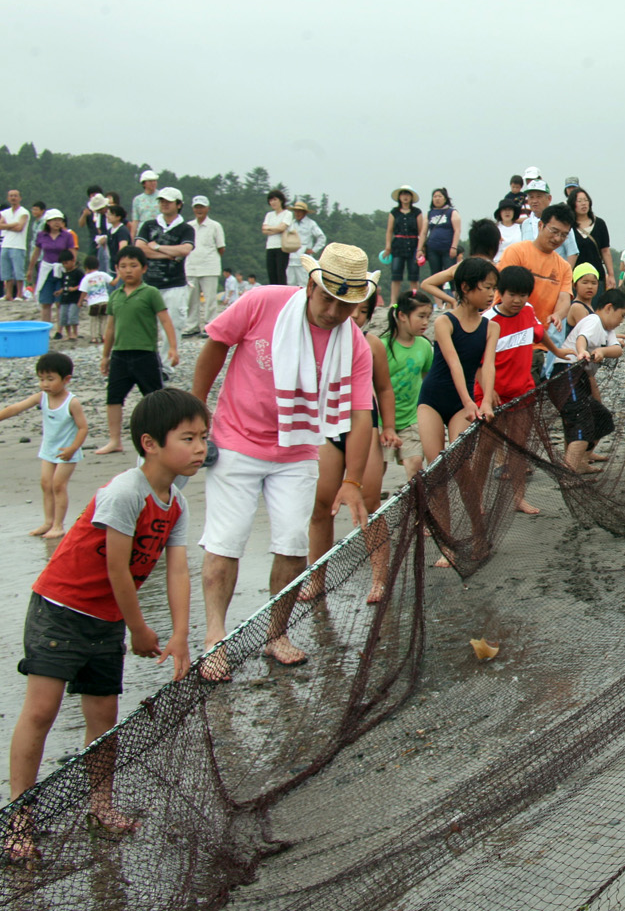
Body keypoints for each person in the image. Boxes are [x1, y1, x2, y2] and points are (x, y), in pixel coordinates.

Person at [3, 389, 207, 866]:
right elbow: (118, 569)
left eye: (203, 437)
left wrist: (179, 633)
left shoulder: (174, 502)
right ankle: (18, 816)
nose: (200, 448)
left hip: (107, 618)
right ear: (150, 443)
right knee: (41, 710)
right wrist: (138, 629)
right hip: (61, 607)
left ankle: (100, 805)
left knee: (103, 715)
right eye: (188, 438)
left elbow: (176, 570)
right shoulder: (124, 492)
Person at [191, 244, 377, 674]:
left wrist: (352, 480)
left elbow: (360, 412)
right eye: (327, 298)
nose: (333, 312)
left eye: (346, 306)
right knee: (225, 541)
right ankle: (215, 636)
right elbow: (217, 344)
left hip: (297, 448)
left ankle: (277, 633)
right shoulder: (263, 302)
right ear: (311, 285)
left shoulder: (354, 345)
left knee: (293, 544)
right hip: (236, 440)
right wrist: (196, 409)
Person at [301, 293, 397, 605]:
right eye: (350, 309)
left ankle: (380, 579)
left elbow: (384, 388)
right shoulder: (314, 336)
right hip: (325, 428)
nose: (354, 315)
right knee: (321, 506)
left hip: (363, 425)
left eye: (362, 311)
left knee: (369, 504)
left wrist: (389, 427)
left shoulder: (371, 345)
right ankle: (317, 578)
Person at [479, 263, 570, 516]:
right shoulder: (487, 321)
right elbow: (477, 362)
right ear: (500, 292)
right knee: (485, 450)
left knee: (519, 448)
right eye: (512, 294)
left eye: (523, 295)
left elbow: (539, 334)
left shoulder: (528, 311)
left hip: (522, 391)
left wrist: (557, 351)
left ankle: (518, 498)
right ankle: (476, 501)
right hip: (492, 396)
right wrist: (488, 391)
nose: (518, 300)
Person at [416, 257, 499, 466]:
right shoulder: (445, 321)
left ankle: (474, 501)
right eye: (487, 287)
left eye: (494, 288)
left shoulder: (491, 327)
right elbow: (454, 363)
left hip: (462, 404)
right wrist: (469, 402)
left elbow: (488, 365)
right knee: (436, 467)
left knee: (461, 465)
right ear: (465, 287)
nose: (492, 294)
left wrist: (486, 401)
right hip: (432, 399)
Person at [94, 248, 178, 456]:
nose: (128, 270)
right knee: (113, 398)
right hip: (120, 355)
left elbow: (165, 320)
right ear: (116, 269)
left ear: (144, 268)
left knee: (154, 398)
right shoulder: (115, 296)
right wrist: (105, 356)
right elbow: (110, 328)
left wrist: (173, 348)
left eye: (133, 266)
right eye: (123, 266)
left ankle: (162, 439)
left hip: (145, 354)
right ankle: (114, 440)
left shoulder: (150, 293)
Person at [0, 352, 90, 538]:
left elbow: (83, 428)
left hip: (67, 451)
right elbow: (16, 408)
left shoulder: (71, 402)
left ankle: (58, 525)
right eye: (41, 379)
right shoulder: (42, 397)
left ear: (66, 379)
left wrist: (73, 448)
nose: (45, 384)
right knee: (46, 484)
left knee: (58, 485)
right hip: (48, 450)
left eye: (50, 379)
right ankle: (48, 522)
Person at [554, 288, 625, 473]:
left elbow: (617, 349)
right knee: (580, 421)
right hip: (565, 374)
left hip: (580, 378)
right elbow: (582, 338)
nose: (622, 320)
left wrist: (603, 351)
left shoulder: (607, 328)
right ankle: (568, 473)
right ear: (609, 308)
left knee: (601, 417)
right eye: (622, 315)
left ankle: (581, 462)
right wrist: (582, 351)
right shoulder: (593, 321)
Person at [134, 187, 194, 357]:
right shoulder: (149, 225)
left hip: (175, 284)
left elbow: (185, 249)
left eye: (168, 201)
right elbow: (140, 248)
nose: (164, 204)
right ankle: (148, 361)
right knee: (145, 325)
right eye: (162, 201)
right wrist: (169, 254)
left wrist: (158, 247)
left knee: (173, 324)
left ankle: (166, 365)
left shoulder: (185, 229)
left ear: (179, 204)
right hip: (148, 283)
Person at [381, 290, 434, 483]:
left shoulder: (425, 346)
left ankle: (417, 510)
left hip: (411, 418)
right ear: (402, 315)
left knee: (415, 464)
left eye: (428, 317)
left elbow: (427, 378)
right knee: (376, 471)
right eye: (421, 316)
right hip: (380, 420)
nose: (426, 322)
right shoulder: (382, 345)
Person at [499, 203, 576, 330]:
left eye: (563, 235)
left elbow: (564, 299)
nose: (557, 238)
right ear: (541, 225)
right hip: (507, 331)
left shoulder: (564, 267)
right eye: (554, 231)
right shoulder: (516, 252)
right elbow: (503, 292)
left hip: (539, 338)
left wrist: (557, 315)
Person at [183, 196, 226, 336]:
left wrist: (210, 258)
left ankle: (210, 325)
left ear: (208, 209)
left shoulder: (215, 226)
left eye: (202, 207)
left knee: (210, 299)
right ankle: (192, 326)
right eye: (196, 207)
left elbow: (221, 247)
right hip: (191, 266)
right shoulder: (188, 226)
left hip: (210, 267)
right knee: (191, 299)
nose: (199, 210)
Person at [29, 210, 77, 327]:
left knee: (60, 302)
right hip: (47, 269)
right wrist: (30, 269)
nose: (57, 223)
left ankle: (60, 329)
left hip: (62, 269)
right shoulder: (42, 235)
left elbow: (72, 252)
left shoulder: (67, 236)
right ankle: (45, 327)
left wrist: (73, 269)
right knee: (46, 302)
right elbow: (36, 253)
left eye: (60, 220)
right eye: (55, 220)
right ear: (48, 222)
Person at [386, 185, 426, 302]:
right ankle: (393, 301)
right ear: (399, 197)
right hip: (398, 245)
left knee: (414, 275)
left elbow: (421, 231)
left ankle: (414, 299)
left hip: (413, 245)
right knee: (396, 275)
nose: (405, 197)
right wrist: (388, 246)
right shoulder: (394, 212)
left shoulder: (417, 212)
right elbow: (389, 230)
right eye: (403, 194)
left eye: (408, 194)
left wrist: (421, 248)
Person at [568, 188, 614, 289]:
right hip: (575, 279)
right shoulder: (568, 226)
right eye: (579, 201)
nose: (583, 204)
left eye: (586, 200)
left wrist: (611, 275)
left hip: (596, 277)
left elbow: (605, 251)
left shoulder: (599, 224)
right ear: (572, 204)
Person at [283, 202, 327, 288]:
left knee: (304, 284)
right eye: (296, 211)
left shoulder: (311, 224)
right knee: (289, 285)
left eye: (300, 211)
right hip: (290, 258)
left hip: (303, 259)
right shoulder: (291, 223)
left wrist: (313, 250)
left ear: (304, 212)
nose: (297, 213)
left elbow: (322, 237)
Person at [424, 188, 461, 276]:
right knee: (435, 274)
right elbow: (423, 233)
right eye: (435, 196)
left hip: (447, 248)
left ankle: (454, 290)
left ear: (445, 199)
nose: (437, 198)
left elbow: (457, 230)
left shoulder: (452, 212)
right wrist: (420, 249)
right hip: (432, 248)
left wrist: (454, 247)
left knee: (451, 274)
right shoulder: (429, 213)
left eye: (440, 196)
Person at [1, 188, 29, 301]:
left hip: (18, 245)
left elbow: (20, 227)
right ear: (8, 198)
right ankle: (7, 294)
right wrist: (13, 224)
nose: (13, 198)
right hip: (5, 244)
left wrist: (6, 226)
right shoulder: (4, 212)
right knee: (6, 271)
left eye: (15, 196)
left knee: (18, 271)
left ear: (20, 198)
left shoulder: (24, 212)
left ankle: (19, 294)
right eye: (11, 196)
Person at [262, 189, 293, 285]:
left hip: (282, 247)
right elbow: (264, 230)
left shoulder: (287, 213)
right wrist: (276, 229)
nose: (273, 202)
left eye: (275, 199)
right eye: (271, 200)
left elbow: (282, 227)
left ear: (281, 200)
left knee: (281, 273)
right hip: (270, 246)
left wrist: (270, 229)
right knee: (271, 273)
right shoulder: (269, 215)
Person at [80, 255, 113, 343]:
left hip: (93, 302)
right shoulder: (102, 274)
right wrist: (119, 274)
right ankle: (103, 336)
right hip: (105, 300)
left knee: (94, 320)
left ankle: (94, 337)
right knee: (104, 319)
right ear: (98, 266)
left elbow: (83, 291)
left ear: (86, 267)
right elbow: (113, 282)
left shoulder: (86, 278)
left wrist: (80, 302)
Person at [53, 251, 84, 341]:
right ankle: (68, 334)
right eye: (63, 264)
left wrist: (75, 288)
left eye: (66, 263)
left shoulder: (78, 272)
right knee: (63, 316)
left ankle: (75, 333)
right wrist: (60, 291)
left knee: (72, 316)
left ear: (72, 261)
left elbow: (83, 283)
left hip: (74, 299)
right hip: (65, 298)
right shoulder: (64, 273)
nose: (65, 265)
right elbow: (64, 286)